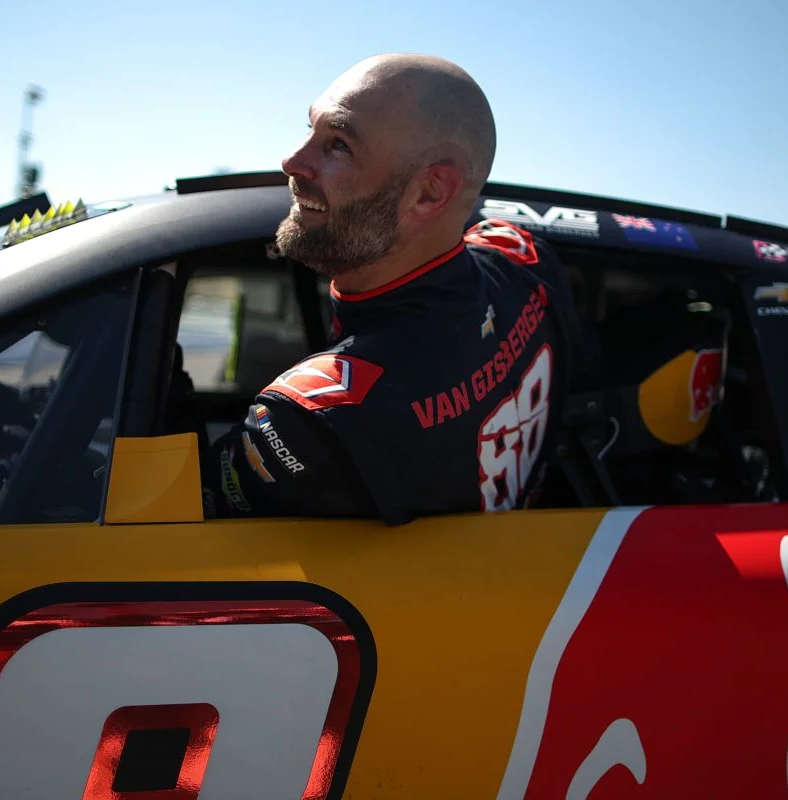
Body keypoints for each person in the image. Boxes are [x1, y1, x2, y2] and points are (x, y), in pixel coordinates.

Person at [200, 53, 595, 525]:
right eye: (310, 130)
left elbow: (177, 519)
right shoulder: (523, 254)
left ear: (430, 192)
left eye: (339, 145)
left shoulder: (312, 417)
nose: (293, 161)